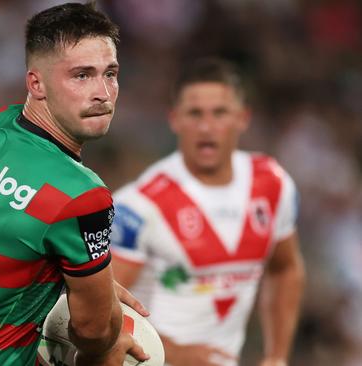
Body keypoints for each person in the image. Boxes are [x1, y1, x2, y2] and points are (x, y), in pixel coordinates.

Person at [0, 2, 150, 366]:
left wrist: (77, 281)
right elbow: (93, 332)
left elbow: (12, 240)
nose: (102, 92)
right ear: (36, 83)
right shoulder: (81, 194)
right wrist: (108, 341)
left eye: (109, 73)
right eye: (81, 75)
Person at [111, 58, 305, 366]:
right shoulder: (138, 205)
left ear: (243, 118)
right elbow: (98, 305)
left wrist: (276, 356)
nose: (206, 127)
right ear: (175, 120)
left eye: (220, 113)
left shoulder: (273, 185)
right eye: (195, 113)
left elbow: (285, 269)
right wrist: (172, 351)